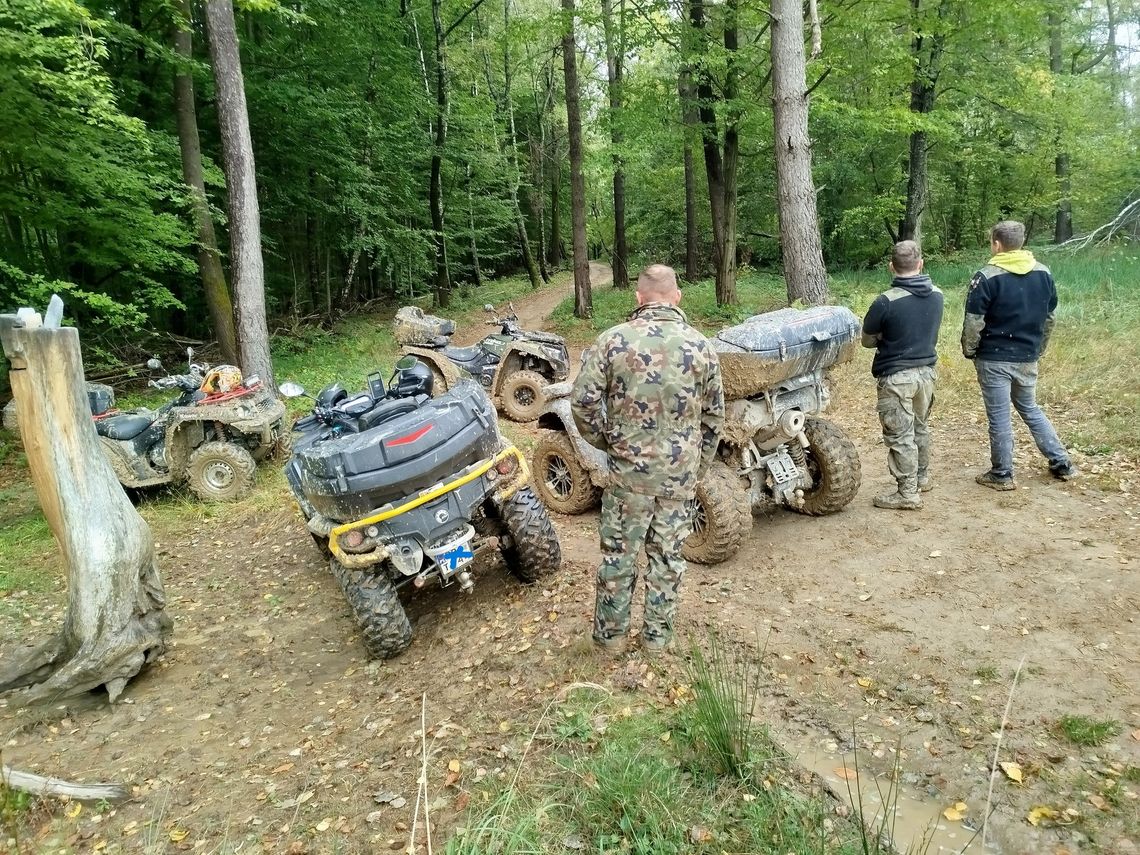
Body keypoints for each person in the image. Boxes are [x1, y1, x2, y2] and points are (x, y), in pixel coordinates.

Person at [571, 264, 724, 656]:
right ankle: (658, 641)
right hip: (677, 479)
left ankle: (611, 640)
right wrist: (695, 467)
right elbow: (714, 418)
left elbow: (582, 403)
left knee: (619, 558)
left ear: (638, 298)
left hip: (628, 479)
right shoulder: (701, 347)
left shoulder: (611, 342)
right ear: (677, 297)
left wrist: (611, 444)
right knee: (668, 559)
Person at [961, 220, 1078, 489]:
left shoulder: (986, 276)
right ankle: (1061, 462)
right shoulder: (1044, 273)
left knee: (999, 416)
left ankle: (1002, 474)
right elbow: (1049, 317)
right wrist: (1039, 349)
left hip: (994, 357)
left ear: (996, 244)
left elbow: (974, 321)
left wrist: (970, 350)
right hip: (1027, 355)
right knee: (1030, 408)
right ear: (1022, 242)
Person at [861, 240, 944, 510]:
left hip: (896, 377)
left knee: (900, 434)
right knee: (920, 426)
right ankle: (921, 478)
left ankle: (907, 493)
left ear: (891, 267)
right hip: (926, 374)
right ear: (921, 264)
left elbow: (867, 341)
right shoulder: (938, 295)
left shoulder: (885, 302)